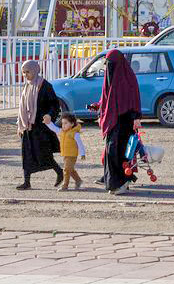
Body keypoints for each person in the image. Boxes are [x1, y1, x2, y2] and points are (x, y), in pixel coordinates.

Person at [91, 49, 141, 194]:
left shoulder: (128, 78)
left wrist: (136, 118)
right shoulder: (110, 77)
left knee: (120, 154)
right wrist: (99, 106)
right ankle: (114, 183)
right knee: (111, 152)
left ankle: (122, 183)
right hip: (112, 122)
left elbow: (135, 100)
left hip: (125, 122)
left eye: (111, 64)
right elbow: (106, 98)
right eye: (108, 64)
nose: (109, 67)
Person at [16, 60, 62, 190]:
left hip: (40, 126)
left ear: (35, 70)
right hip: (27, 126)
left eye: (27, 72)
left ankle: (59, 172)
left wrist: (49, 115)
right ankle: (27, 181)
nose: (25, 75)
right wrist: (19, 125)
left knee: (44, 153)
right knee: (27, 154)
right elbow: (22, 108)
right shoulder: (27, 86)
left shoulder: (44, 85)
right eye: (23, 72)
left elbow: (54, 104)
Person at [43, 111, 86, 191]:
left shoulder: (75, 134)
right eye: (62, 123)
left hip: (72, 155)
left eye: (66, 123)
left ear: (72, 124)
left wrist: (82, 154)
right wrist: (48, 123)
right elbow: (54, 128)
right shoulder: (62, 131)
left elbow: (80, 144)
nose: (63, 125)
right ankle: (78, 180)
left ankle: (65, 185)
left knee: (66, 170)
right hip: (65, 154)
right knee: (70, 169)